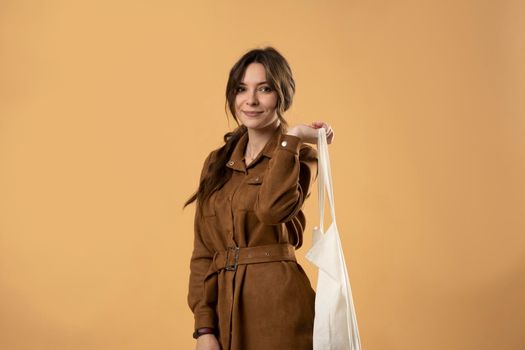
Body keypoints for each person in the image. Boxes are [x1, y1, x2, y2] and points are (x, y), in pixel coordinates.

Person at [183, 47, 334, 350]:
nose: (250, 100)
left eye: (263, 89)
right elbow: (203, 252)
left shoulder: (304, 156)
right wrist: (204, 328)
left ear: (282, 95)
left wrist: (291, 140)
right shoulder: (217, 163)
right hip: (226, 313)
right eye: (241, 89)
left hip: (279, 309)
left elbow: (270, 209)